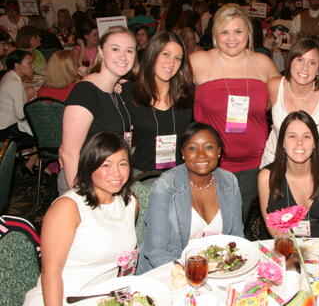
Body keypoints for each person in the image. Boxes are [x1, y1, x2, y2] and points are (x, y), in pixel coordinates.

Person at [191, 3, 280, 226]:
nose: (232, 38)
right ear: (214, 35)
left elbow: (286, 101)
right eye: (225, 32)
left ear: (248, 34)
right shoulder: (199, 62)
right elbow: (164, 88)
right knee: (211, 224)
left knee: (237, 222)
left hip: (255, 163)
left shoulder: (263, 63)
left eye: (238, 31)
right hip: (211, 163)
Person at [24, 132, 137, 306]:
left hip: (103, 299)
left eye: (123, 164)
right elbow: (51, 273)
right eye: (106, 165)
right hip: (61, 298)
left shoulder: (130, 203)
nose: (116, 173)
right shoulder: (68, 208)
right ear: (89, 167)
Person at [138, 123, 244, 273]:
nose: (201, 154)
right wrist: (191, 273)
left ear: (219, 151)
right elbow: (156, 251)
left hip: (218, 270)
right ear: (183, 153)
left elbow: (236, 235)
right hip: (172, 270)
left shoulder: (229, 182)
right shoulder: (166, 186)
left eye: (209, 147)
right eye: (192, 148)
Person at [58, 26, 136, 194]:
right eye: (115, 49)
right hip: (84, 182)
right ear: (101, 51)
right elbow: (69, 153)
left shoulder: (116, 90)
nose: (123, 57)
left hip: (108, 180)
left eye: (129, 51)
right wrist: (81, 197)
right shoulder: (85, 92)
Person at [258, 111, 319, 238]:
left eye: (306, 136)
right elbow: (271, 221)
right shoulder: (266, 177)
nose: (299, 142)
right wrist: (289, 248)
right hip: (286, 244)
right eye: (292, 136)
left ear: (315, 143)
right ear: (282, 142)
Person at [121, 31, 193, 173]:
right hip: (141, 176)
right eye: (166, 54)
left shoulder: (187, 94)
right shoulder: (128, 93)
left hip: (178, 175)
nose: (171, 63)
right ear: (153, 55)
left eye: (178, 58)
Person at [261, 38, 319, 167]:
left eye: (312, 63)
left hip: (312, 168)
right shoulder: (275, 86)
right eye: (299, 60)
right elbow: (258, 112)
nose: (304, 68)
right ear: (290, 61)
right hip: (274, 164)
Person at [0, 50, 38, 172]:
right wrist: (28, 97)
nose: (33, 66)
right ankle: (34, 161)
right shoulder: (14, 83)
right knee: (45, 133)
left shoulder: (9, 76)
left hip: (5, 125)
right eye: (29, 63)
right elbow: (21, 114)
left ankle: (33, 161)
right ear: (17, 65)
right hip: (6, 130)